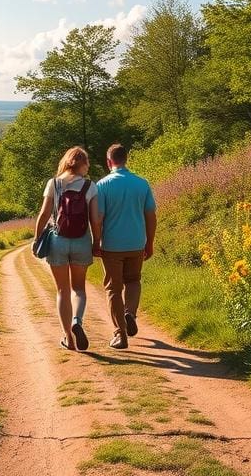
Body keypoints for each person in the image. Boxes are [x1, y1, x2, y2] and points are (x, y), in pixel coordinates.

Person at [32, 146, 102, 351]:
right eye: (87, 162)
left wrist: (37, 239)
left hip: (58, 240)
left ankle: (68, 339)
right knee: (78, 289)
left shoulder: (53, 183)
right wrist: (96, 242)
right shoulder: (90, 186)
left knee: (62, 290)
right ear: (82, 164)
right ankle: (77, 322)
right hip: (81, 241)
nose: (88, 166)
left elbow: (44, 215)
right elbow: (95, 220)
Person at [93, 143, 157, 349]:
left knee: (113, 288)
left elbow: (98, 218)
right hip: (137, 243)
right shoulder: (142, 183)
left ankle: (120, 334)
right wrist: (150, 242)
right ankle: (130, 313)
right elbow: (150, 215)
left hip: (112, 245)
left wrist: (96, 242)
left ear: (109, 161)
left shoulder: (102, 185)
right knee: (133, 281)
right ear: (126, 159)